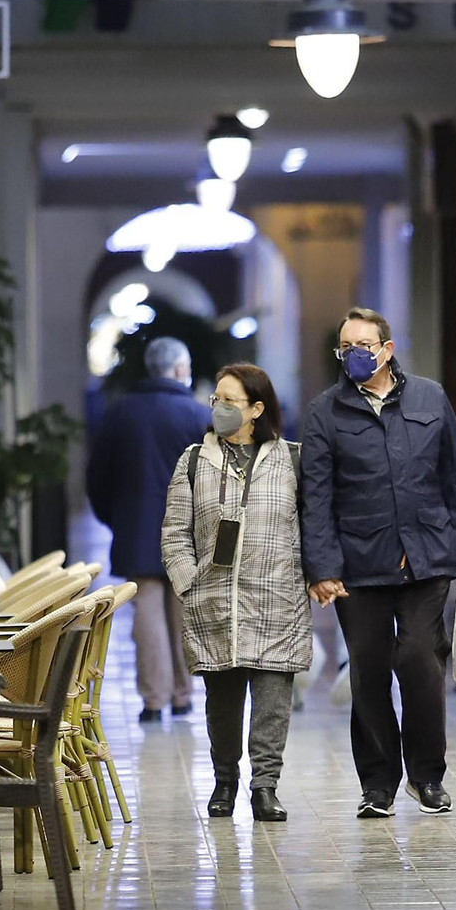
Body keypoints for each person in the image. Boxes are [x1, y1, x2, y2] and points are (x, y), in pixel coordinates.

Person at [300, 307, 456, 819]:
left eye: (363, 345)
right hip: (359, 565)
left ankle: (428, 776)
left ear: (387, 348)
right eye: (345, 348)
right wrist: (322, 567)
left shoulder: (430, 397)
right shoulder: (325, 412)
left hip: (426, 556)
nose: (353, 355)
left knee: (422, 661)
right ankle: (378, 783)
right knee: (368, 671)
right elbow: (316, 498)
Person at [161, 363, 309, 822]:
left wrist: (310, 576)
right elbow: (174, 533)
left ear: (257, 408)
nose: (220, 409)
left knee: (271, 703)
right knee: (222, 705)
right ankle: (225, 781)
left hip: (275, 599)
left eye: (231, 401)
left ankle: (265, 786)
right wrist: (189, 582)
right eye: (216, 400)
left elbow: (313, 527)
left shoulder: (292, 459)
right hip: (214, 602)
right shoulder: (193, 460)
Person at [86, 336, 210, 723]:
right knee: (182, 612)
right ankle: (183, 694)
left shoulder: (121, 412)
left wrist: (116, 517)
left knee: (147, 614)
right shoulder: (195, 415)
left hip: (136, 529)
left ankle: (153, 701)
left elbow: (97, 476)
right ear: (177, 370)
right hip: (186, 533)